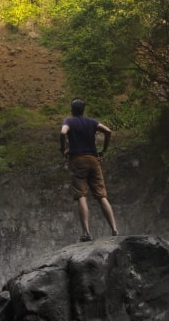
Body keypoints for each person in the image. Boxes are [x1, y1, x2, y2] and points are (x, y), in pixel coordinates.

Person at [60, 98, 119, 242]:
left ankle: (86, 232)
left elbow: (63, 133)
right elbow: (108, 131)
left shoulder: (69, 121)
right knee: (101, 196)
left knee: (81, 195)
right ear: (83, 110)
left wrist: (63, 150)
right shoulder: (91, 122)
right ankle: (114, 229)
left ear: (72, 110)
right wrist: (103, 150)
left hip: (78, 161)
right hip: (93, 160)